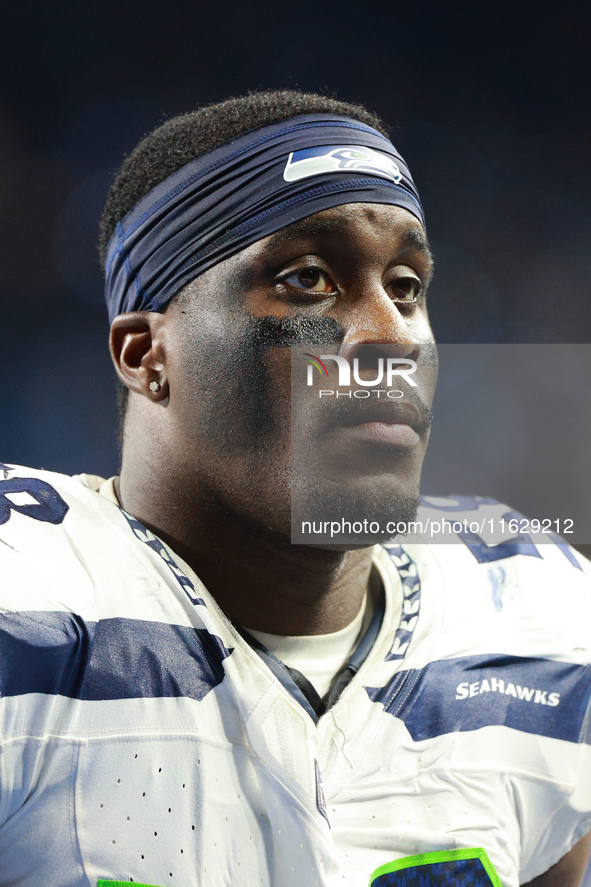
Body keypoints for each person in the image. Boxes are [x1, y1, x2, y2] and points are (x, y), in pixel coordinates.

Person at [0, 90, 589, 887]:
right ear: (147, 355)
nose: (388, 335)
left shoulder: (537, 613)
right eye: (307, 279)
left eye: (408, 286)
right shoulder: (30, 599)